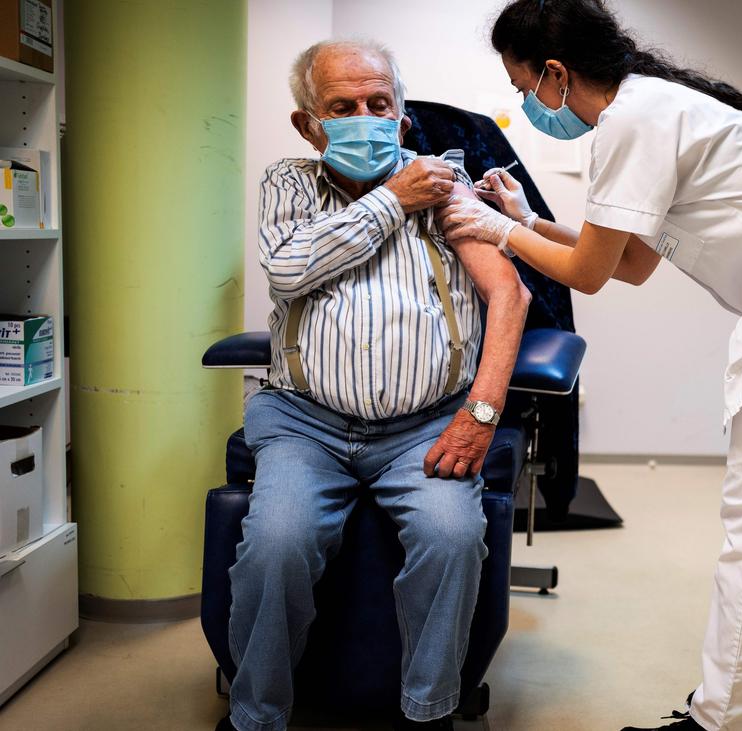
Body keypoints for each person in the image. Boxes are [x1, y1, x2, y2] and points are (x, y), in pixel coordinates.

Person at [436, 2, 742, 730]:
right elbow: (630, 262)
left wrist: (497, 230)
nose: (527, 105)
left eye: (523, 87)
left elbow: (588, 274)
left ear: (556, 73)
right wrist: (525, 219)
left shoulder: (630, 121)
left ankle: (720, 721)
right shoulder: (654, 106)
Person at [218, 39, 531, 731]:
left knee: (452, 537)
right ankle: (256, 716)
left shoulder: (443, 182)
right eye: (342, 107)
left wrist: (481, 412)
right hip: (305, 422)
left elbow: (508, 295)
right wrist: (393, 199)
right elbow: (289, 270)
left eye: (378, 103)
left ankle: (428, 712)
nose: (365, 118)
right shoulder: (290, 184)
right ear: (309, 125)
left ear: (401, 116)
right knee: (276, 543)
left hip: (426, 425)